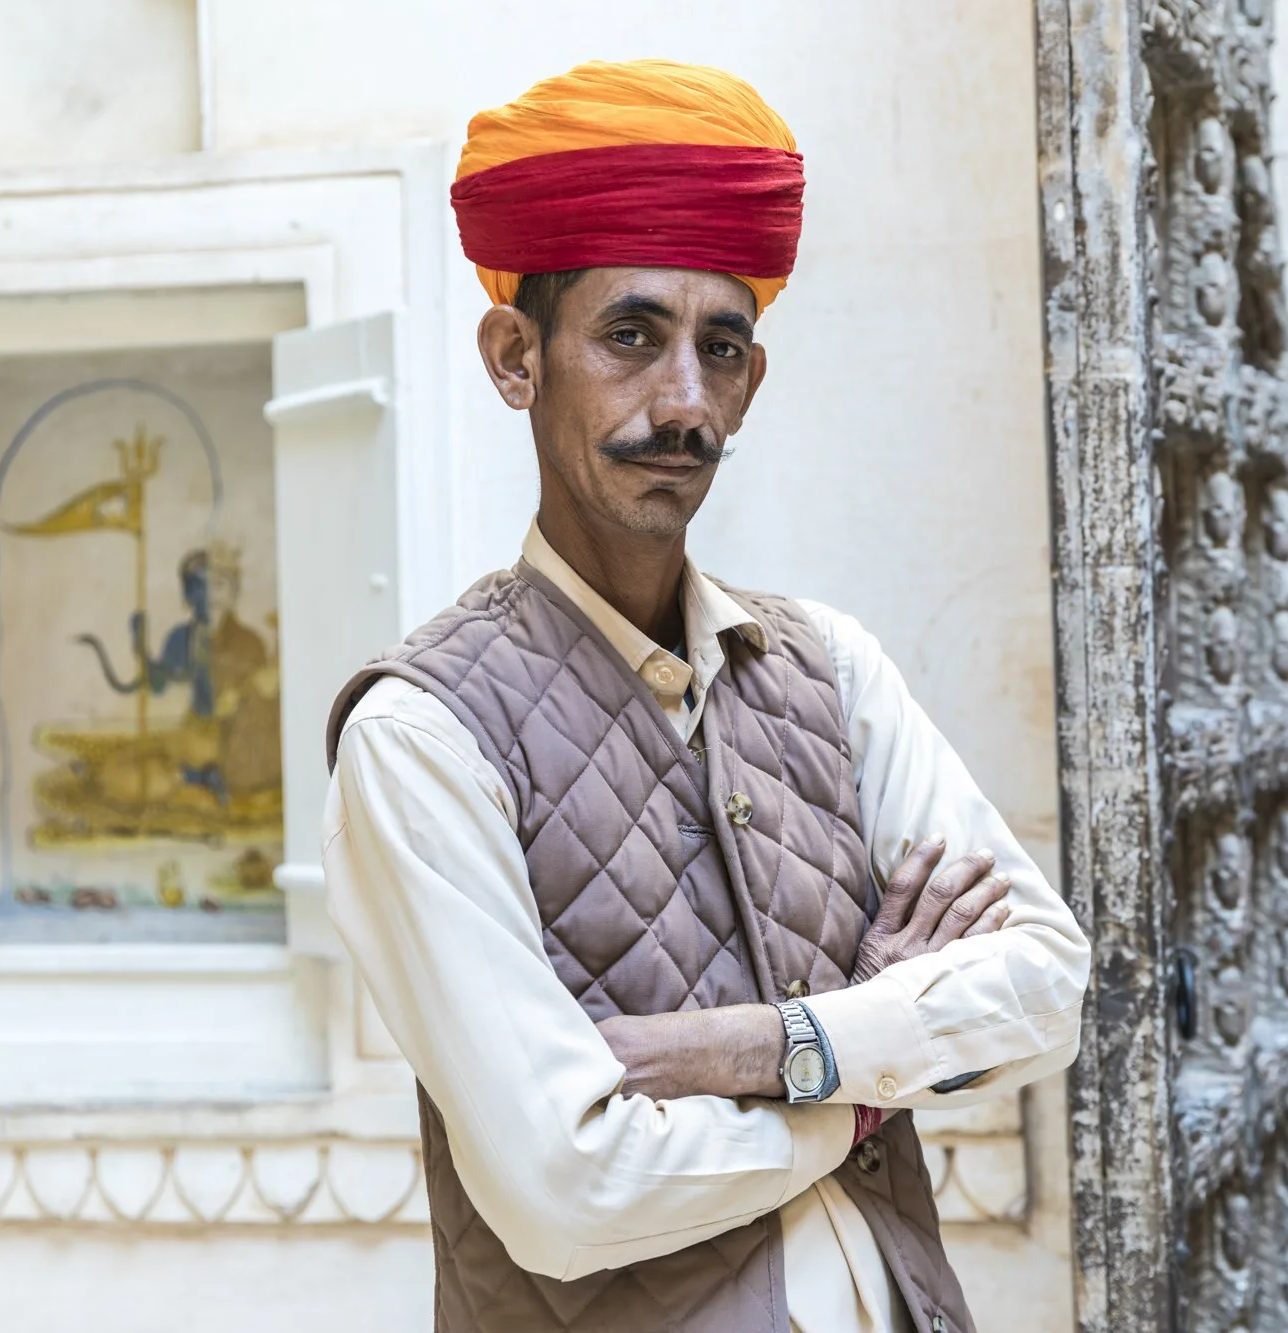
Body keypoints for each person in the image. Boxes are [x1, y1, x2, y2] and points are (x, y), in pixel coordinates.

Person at [321, 58, 1090, 1333]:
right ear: (517, 357)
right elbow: (567, 1185)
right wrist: (869, 1076)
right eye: (631, 335)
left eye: (718, 349)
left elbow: (1045, 982)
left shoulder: (829, 668)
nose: (682, 402)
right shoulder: (422, 736)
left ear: (751, 380)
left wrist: (751, 1048)